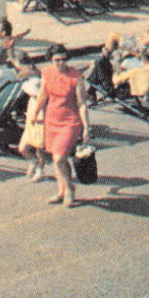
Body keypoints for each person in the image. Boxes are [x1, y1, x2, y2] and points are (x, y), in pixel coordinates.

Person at [28, 44, 91, 207]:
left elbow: (82, 104)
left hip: (70, 122)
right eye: (57, 60)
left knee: (59, 158)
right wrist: (35, 113)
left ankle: (69, 189)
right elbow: (42, 94)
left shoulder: (76, 77)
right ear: (51, 60)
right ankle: (61, 191)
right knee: (57, 158)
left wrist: (86, 127)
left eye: (63, 60)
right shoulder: (46, 73)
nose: (60, 63)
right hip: (52, 120)